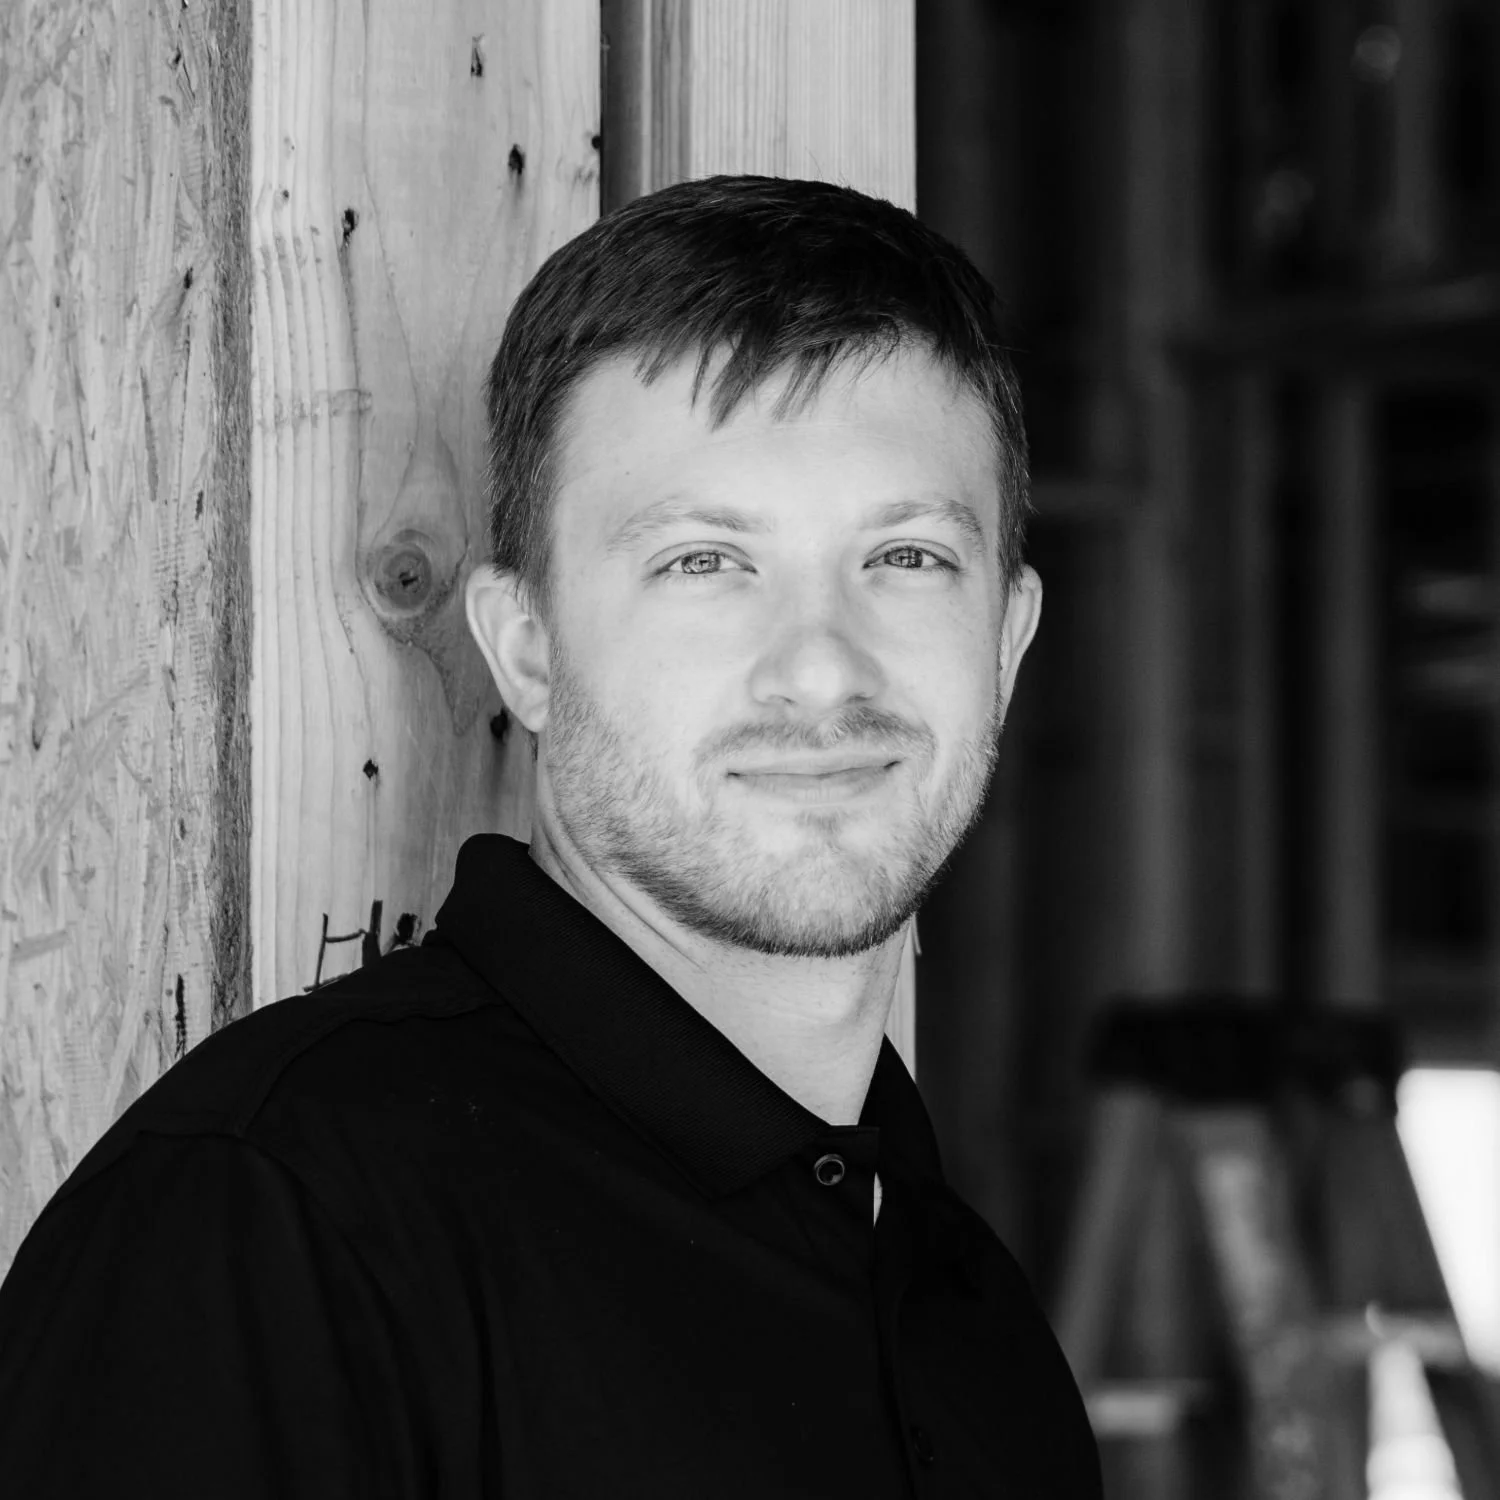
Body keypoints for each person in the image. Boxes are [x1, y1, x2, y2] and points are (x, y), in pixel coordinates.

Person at [0, 175, 1100, 1497]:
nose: (820, 672)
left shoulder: (974, 1320)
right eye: (704, 561)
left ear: (1010, 639)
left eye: (908, 559)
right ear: (525, 652)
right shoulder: (273, 1223)